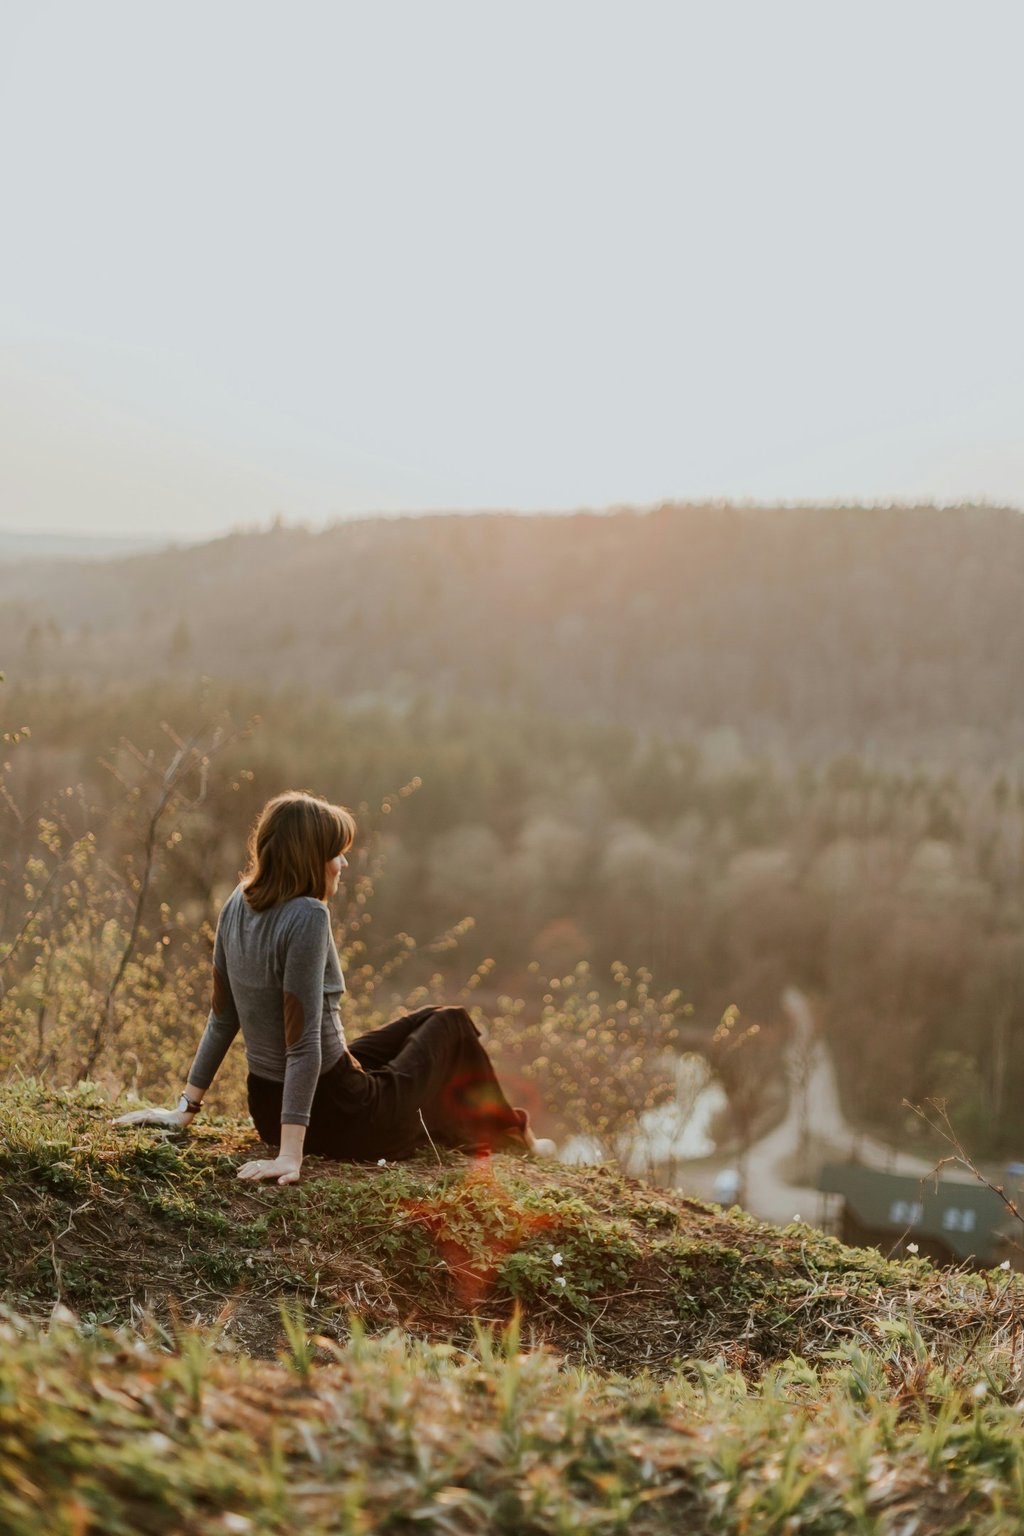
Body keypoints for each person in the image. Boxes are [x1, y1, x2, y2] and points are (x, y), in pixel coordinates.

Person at [114, 791, 555, 1183]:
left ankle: (504, 1132)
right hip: (342, 1114)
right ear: (311, 857)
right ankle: (514, 1136)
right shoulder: (307, 915)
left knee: (431, 1018)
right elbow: (302, 1044)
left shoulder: (237, 901)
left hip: (268, 1107)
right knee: (455, 1023)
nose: (343, 864)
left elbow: (222, 1016)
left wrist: (184, 1110)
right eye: (336, 853)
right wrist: (291, 1156)